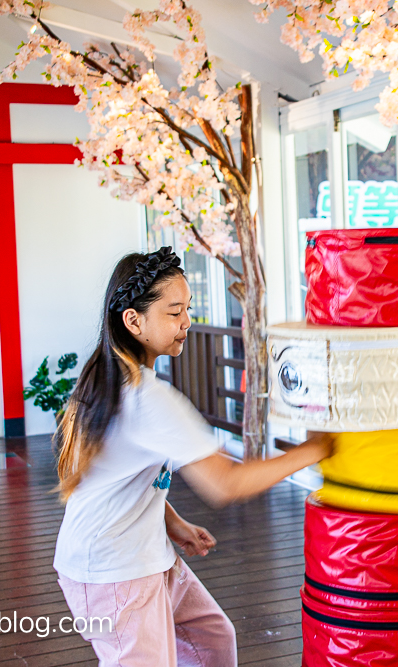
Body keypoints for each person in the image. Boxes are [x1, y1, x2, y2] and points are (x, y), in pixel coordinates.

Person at [52, 247, 332, 667]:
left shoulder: (115, 378)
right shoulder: (144, 396)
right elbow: (226, 484)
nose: (187, 322)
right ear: (134, 321)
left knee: (212, 640)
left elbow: (120, 475)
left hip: (142, 553)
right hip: (113, 572)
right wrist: (319, 447)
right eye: (174, 312)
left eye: (188, 309)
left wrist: (172, 521)